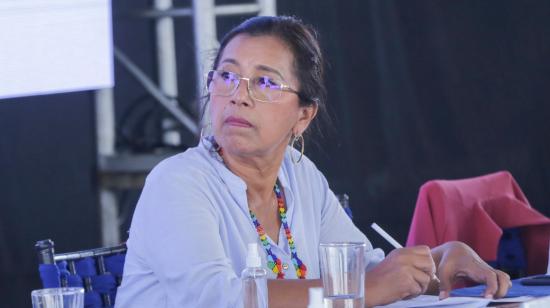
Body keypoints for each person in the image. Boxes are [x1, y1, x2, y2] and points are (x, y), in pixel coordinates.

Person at [115, 15, 511, 308]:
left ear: (304, 116)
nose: (238, 95)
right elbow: (217, 299)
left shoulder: (299, 175)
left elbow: (361, 269)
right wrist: (363, 291)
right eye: (227, 76)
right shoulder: (178, 181)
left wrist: (437, 264)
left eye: (265, 82)